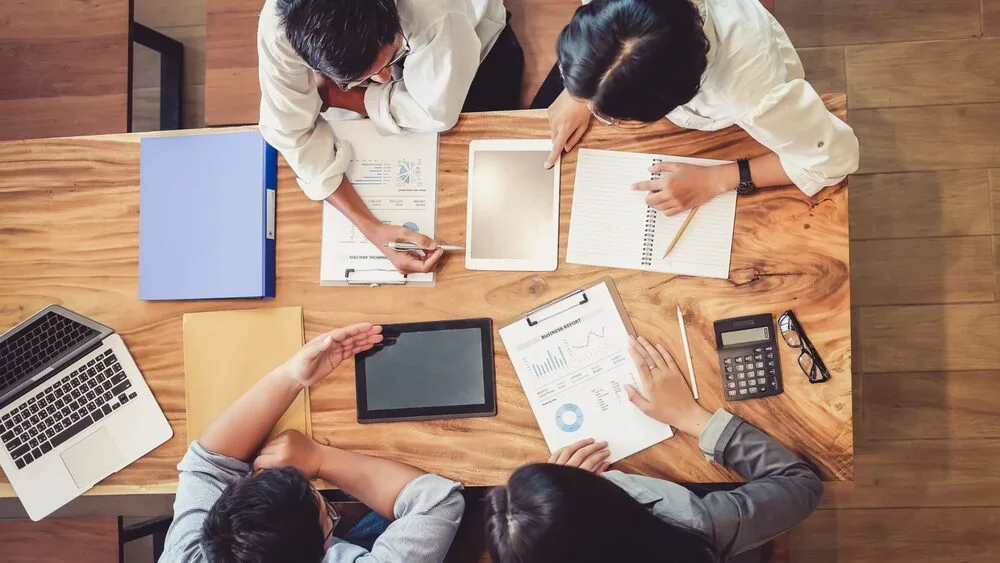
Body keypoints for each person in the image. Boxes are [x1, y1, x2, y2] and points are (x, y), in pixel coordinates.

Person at [484, 335, 823, 563]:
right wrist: (691, 417)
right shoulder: (692, 524)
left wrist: (551, 510)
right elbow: (800, 484)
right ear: (610, 504)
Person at [160, 323, 467, 562]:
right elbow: (437, 500)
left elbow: (209, 463)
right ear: (324, 546)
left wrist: (291, 376)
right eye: (326, 512)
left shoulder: (187, 555)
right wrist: (319, 459)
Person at [258, 0, 523, 274]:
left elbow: (436, 112)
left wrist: (342, 96)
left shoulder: (434, 12)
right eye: (368, 75)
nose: (385, 78)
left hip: (465, 35)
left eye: (390, 59)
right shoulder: (279, 30)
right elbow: (291, 132)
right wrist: (371, 229)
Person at [535, 0, 860, 216]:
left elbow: (831, 161)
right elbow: (618, 40)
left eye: (608, 115)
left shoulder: (750, 92)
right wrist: (587, 80)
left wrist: (716, 179)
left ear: (675, 95)